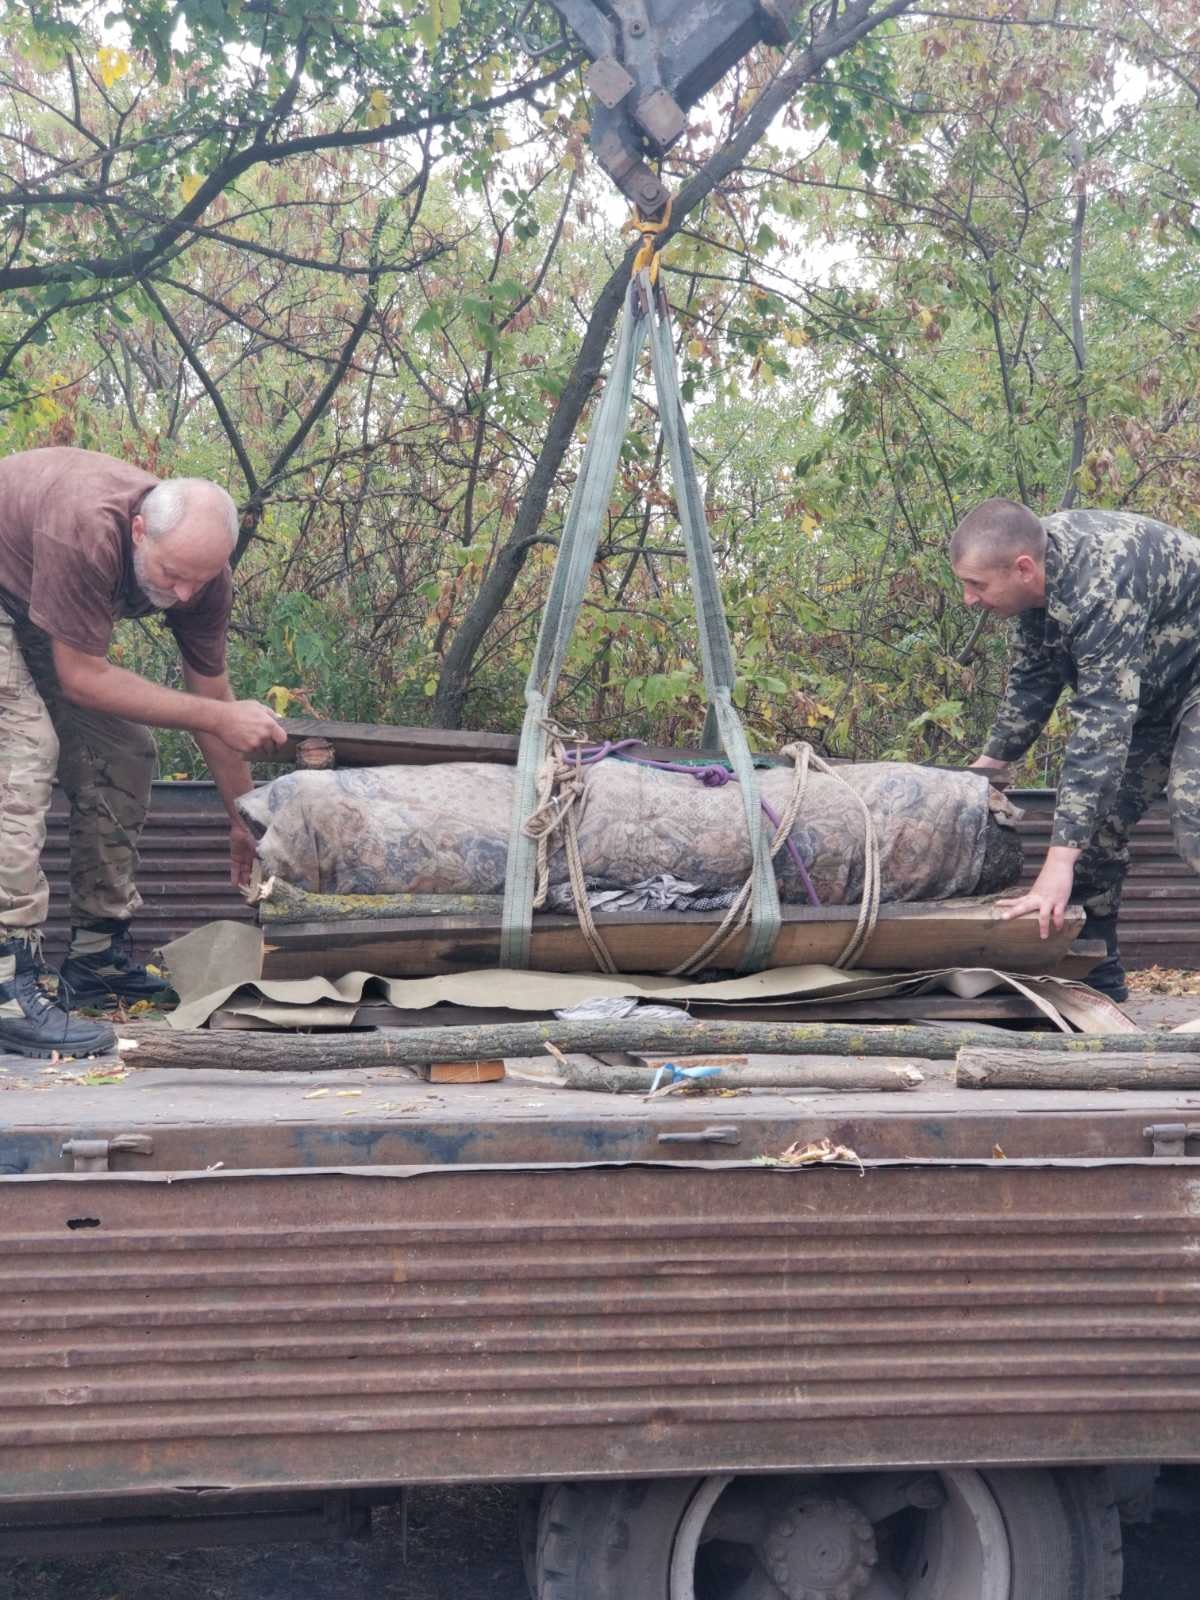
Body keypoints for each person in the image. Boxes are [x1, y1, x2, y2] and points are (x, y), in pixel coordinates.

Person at [0, 446, 286, 1056]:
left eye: (201, 579)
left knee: (123, 751)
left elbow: (211, 695)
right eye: (173, 574)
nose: (184, 595)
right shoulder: (85, 527)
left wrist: (245, 818)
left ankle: (96, 955)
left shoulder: (202, 574)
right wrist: (218, 715)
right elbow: (82, 678)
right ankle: (4, 983)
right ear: (137, 532)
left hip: (29, 602)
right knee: (23, 752)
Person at [951, 496, 1200, 1002]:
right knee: (1093, 821)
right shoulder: (1035, 591)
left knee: (1193, 813)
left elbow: (1104, 720)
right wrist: (983, 771)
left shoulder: (1102, 581)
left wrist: (1056, 863)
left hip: (1189, 680)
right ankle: (1094, 973)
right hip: (1156, 689)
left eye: (976, 585)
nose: (969, 600)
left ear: (1022, 568)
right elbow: (1032, 681)